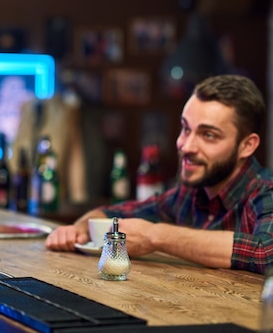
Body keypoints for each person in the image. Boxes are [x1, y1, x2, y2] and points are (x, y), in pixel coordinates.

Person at [46, 74, 273, 275]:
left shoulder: (265, 192)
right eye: (186, 129)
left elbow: (265, 251)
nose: (186, 146)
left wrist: (156, 236)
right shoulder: (190, 193)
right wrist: (79, 228)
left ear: (247, 146)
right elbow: (114, 212)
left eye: (209, 135)